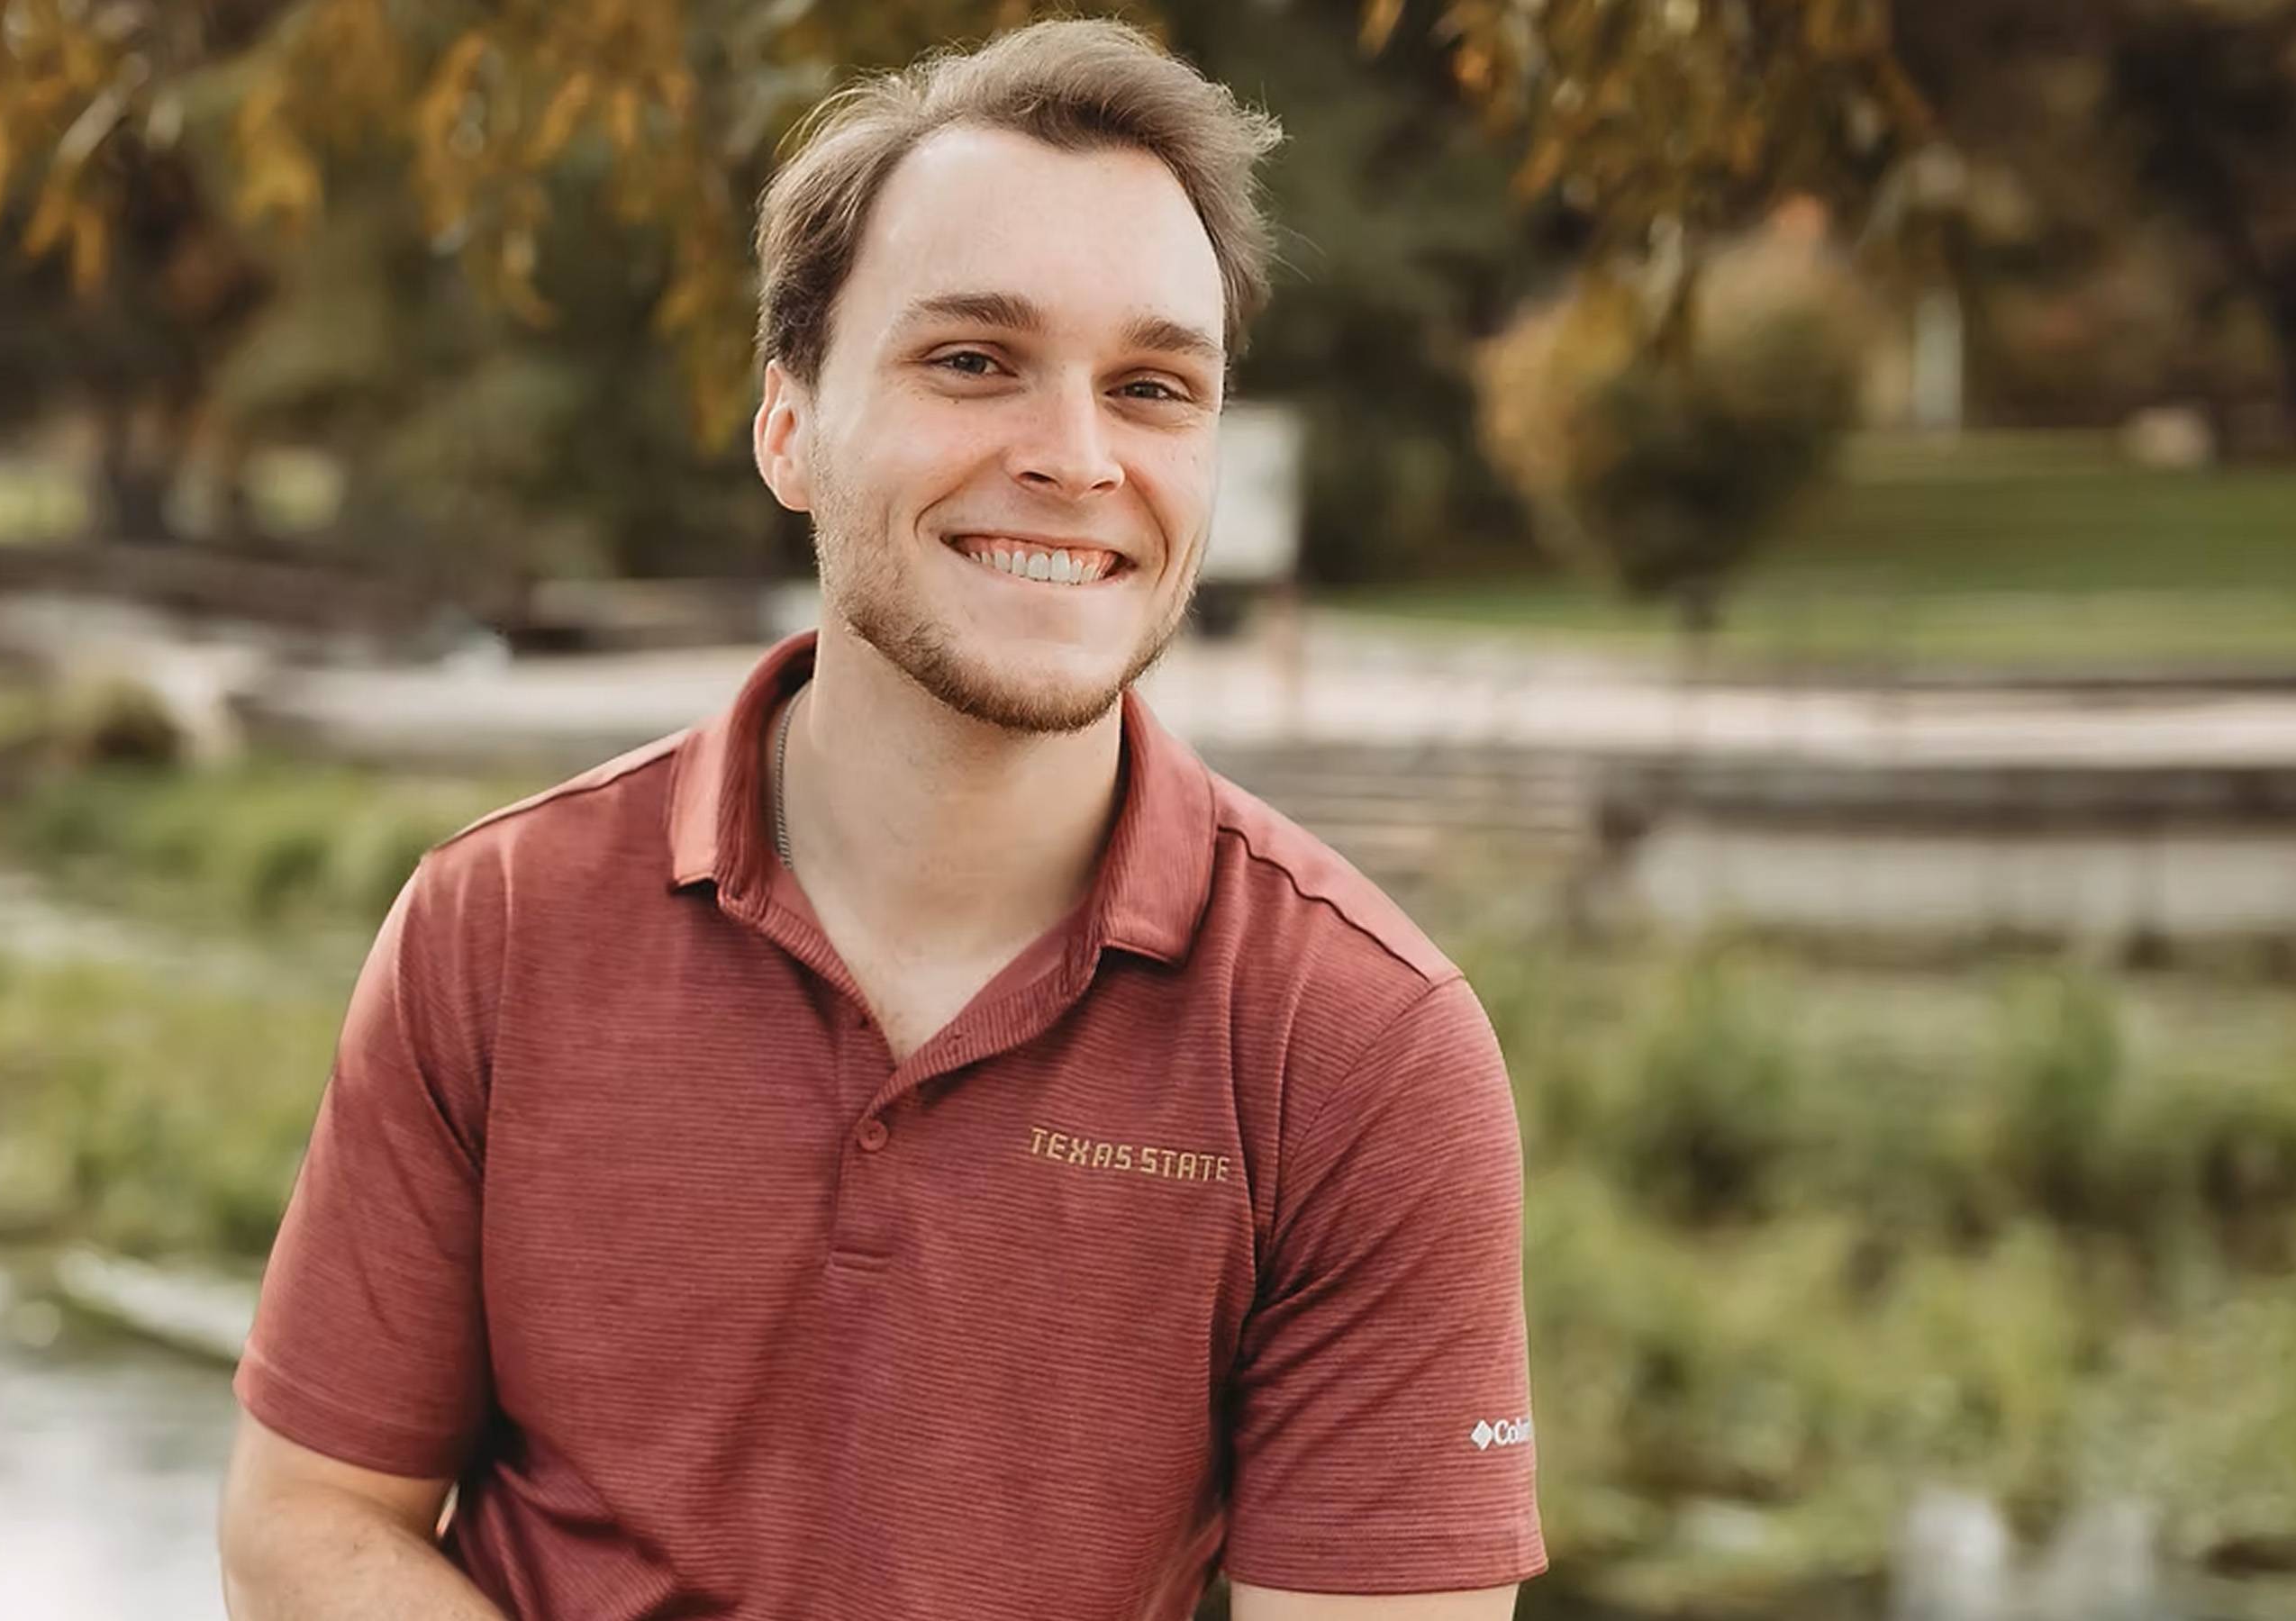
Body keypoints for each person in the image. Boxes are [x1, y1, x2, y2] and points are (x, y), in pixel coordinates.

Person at [217, 18, 1544, 1620]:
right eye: (972, 360)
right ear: (789, 425)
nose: (1073, 458)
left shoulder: (1360, 1048)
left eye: (1151, 388)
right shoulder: (492, 926)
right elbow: (306, 1530)